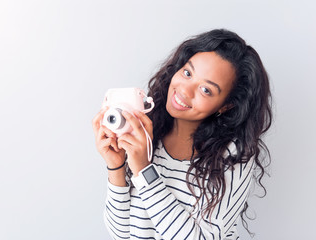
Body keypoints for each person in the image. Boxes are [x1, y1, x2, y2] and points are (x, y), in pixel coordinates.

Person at [92, 29, 272, 240]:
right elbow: (121, 233)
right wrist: (116, 167)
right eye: (188, 73)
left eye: (206, 90)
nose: (185, 90)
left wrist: (144, 170)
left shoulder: (233, 155)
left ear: (226, 106)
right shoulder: (148, 132)